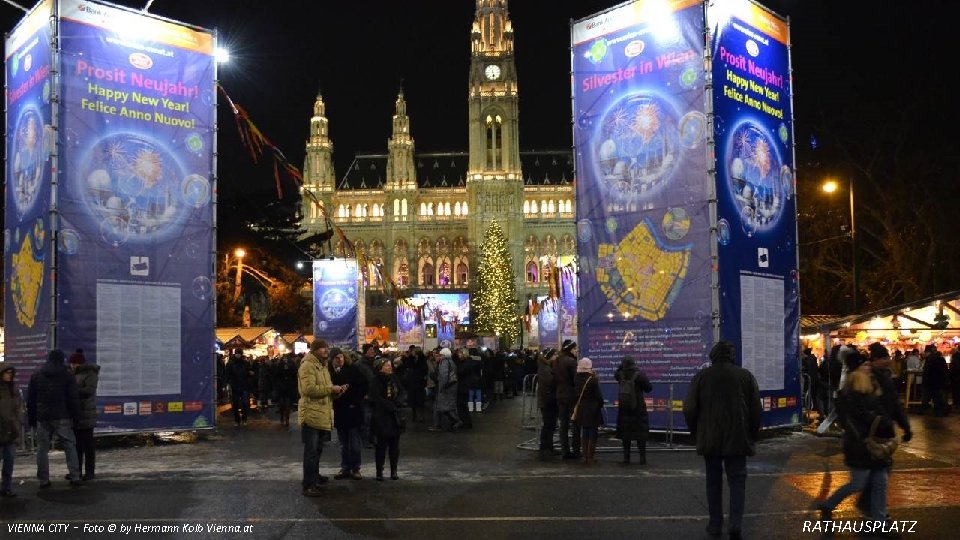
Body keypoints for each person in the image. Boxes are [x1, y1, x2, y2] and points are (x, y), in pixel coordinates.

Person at [814, 350, 907, 524]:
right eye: (864, 365)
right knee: (858, 484)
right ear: (856, 369)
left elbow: (885, 409)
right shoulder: (849, 394)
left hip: (875, 445)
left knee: (880, 484)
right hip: (861, 446)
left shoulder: (872, 387)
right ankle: (829, 505)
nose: (868, 367)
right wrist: (875, 425)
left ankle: (880, 523)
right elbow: (853, 421)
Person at [683, 341, 761, 540]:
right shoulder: (745, 376)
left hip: (710, 437)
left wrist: (696, 432)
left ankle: (715, 524)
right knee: (737, 481)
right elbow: (755, 410)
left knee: (713, 482)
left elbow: (690, 408)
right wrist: (751, 435)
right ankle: (735, 524)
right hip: (738, 437)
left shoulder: (701, 377)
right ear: (731, 356)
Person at [27, 349, 83, 488]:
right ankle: (75, 476)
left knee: (42, 449)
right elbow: (73, 399)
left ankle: (43, 480)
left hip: (43, 416)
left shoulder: (36, 376)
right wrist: (76, 417)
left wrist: (32, 418)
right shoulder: (68, 376)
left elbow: (31, 400)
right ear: (61, 360)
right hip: (62, 415)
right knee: (69, 445)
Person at [298, 339, 345, 497]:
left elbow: (324, 391)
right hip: (311, 413)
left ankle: (314, 477)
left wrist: (336, 392)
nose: (326, 350)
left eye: (327, 348)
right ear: (315, 350)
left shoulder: (323, 366)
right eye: (322, 348)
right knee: (311, 452)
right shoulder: (307, 366)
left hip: (321, 413)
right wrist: (330, 388)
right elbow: (309, 389)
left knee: (317, 450)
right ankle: (308, 484)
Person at [329, 347, 367, 480]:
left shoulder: (353, 370)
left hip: (353, 410)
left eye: (341, 357)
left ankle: (356, 468)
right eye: (336, 358)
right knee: (344, 443)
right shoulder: (329, 371)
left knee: (355, 443)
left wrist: (355, 401)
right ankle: (345, 467)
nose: (340, 360)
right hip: (340, 411)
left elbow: (363, 386)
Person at [370, 357, 406, 481]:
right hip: (381, 417)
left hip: (394, 417)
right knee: (380, 446)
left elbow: (402, 392)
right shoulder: (375, 380)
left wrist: (397, 402)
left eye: (390, 365)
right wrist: (390, 405)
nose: (389, 367)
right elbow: (376, 397)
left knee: (394, 446)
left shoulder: (394, 379)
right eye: (386, 365)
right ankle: (379, 471)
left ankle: (394, 471)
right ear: (380, 368)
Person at [615, 356, 653, 465]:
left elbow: (616, 373)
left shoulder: (620, 375)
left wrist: (620, 368)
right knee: (640, 434)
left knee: (625, 434)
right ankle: (642, 458)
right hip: (638, 407)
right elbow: (649, 388)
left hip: (624, 407)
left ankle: (626, 458)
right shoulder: (639, 375)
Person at [69, 349, 99, 481]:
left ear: (78, 363)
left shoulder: (90, 373)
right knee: (77, 446)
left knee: (88, 445)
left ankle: (90, 472)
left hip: (86, 413)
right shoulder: (71, 373)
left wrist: (73, 391)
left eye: (73, 363)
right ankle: (77, 471)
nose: (71, 366)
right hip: (76, 413)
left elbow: (89, 390)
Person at [573, 358, 604, 465]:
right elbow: (598, 395)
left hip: (582, 407)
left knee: (585, 431)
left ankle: (585, 456)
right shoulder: (592, 379)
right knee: (593, 432)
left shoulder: (576, 378)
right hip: (593, 409)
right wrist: (601, 403)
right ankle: (590, 457)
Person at [554, 340, 581, 459]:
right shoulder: (571, 362)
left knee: (563, 425)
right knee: (575, 424)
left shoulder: (556, 361)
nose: (576, 351)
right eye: (575, 349)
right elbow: (576, 380)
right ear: (570, 349)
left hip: (560, 395)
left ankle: (565, 451)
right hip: (571, 396)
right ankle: (576, 450)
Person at [0, 365, 23, 497]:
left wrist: (18, 423)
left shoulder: (13, 389)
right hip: (2, 427)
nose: (9, 375)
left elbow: (18, 408)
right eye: (6, 373)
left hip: (11, 429)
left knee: (9, 461)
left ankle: (6, 487)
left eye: (11, 373)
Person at [429, 348, 463, 432]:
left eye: (440, 355)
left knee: (444, 407)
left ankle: (456, 421)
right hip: (452, 388)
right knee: (447, 407)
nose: (439, 356)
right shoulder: (451, 362)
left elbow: (443, 377)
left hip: (446, 389)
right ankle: (455, 422)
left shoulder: (444, 362)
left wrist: (441, 387)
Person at [536, 348, 559, 460]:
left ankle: (547, 447)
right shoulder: (546, 368)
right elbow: (550, 384)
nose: (556, 356)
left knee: (549, 425)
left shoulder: (545, 366)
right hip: (548, 401)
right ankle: (546, 448)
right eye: (554, 354)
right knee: (549, 425)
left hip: (547, 400)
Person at [921, 344, 949, 416]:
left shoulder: (930, 359)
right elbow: (944, 369)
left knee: (932, 396)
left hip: (932, 381)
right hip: (938, 381)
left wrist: (925, 380)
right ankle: (940, 411)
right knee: (937, 397)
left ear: (928, 352)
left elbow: (927, 371)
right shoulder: (939, 358)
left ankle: (927, 410)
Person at [226, 352, 251, 426]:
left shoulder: (245, 363)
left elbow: (249, 373)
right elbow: (227, 374)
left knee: (245, 404)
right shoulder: (231, 363)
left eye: (239, 353)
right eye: (237, 353)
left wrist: (250, 374)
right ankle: (237, 420)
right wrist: (227, 383)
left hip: (244, 386)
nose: (238, 355)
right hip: (235, 386)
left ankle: (244, 419)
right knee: (235, 404)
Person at [275, 354, 299, 427]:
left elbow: (276, 376)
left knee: (285, 404)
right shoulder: (291, 365)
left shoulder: (283, 365)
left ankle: (285, 418)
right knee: (285, 404)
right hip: (286, 388)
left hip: (286, 388)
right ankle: (284, 418)